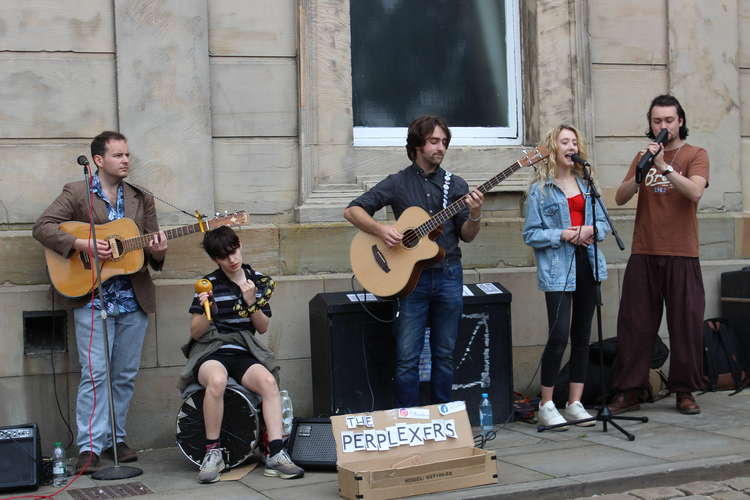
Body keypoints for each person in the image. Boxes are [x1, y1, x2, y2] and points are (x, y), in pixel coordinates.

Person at [33, 131, 168, 473]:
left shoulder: (140, 197)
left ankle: (115, 441)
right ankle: (90, 448)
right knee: (95, 376)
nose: (126, 160)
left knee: (123, 375)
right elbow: (43, 227)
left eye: (127, 155)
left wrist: (159, 250)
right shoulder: (77, 192)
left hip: (132, 300)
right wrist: (84, 245)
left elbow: (150, 248)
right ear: (98, 160)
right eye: (118, 155)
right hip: (92, 296)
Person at [343, 115, 485, 407]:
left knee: (444, 355)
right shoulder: (398, 183)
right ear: (417, 144)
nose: (441, 147)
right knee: (407, 357)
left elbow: (468, 236)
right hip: (411, 282)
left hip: (448, 274)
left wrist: (475, 214)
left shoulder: (455, 184)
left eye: (444, 142)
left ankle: (444, 419)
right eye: (434, 141)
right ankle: (407, 421)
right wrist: (383, 230)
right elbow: (353, 210)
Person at [609, 95, 709, 415]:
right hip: (644, 250)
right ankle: (629, 390)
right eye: (657, 121)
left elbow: (694, 192)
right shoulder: (643, 155)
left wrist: (664, 167)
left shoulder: (696, 154)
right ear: (650, 124)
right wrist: (640, 174)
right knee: (635, 325)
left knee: (685, 325)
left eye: (668, 120)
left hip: (682, 253)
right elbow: (621, 197)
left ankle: (684, 391)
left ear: (680, 121)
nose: (663, 126)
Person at [180, 226, 303, 483]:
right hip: (211, 349)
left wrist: (251, 301)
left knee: (268, 382)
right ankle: (212, 453)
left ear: (240, 245)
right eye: (224, 256)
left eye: (234, 251)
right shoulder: (209, 284)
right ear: (216, 259)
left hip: (243, 349)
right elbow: (195, 332)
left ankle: (276, 453)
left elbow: (262, 326)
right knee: (216, 381)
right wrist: (207, 308)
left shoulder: (256, 280)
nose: (232, 259)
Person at [523, 124, 610, 429]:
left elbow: (604, 224)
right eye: (564, 142)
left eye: (574, 141)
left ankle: (575, 402)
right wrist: (561, 234)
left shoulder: (588, 186)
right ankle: (546, 404)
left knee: (582, 336)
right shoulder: (540, 189)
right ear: (553, 149)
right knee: (559, 334)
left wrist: (591, 230)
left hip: (588, 264)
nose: (571, 146)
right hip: (558, 268)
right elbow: (530, 234)